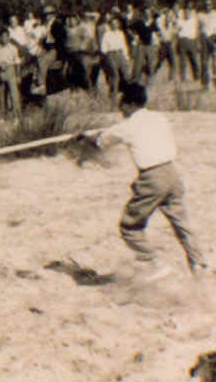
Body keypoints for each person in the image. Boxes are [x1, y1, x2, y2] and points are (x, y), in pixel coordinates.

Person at [88, 82, 208, 277]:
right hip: (173, 174)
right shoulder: (158, 118)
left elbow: (101, 143)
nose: (119, 108)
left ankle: (154, 264)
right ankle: (199, 265)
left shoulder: (126, 126)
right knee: (181, 223)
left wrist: (85, 138)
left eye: (121, 103)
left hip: (152, 178)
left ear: (128, 103)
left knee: (129, 226)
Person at [0, 27, 22, 121]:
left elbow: (17, 63)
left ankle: (17, 117)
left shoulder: (13, 48)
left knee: (14, 96)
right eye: (2, 36)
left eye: (6, 36)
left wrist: (18, 75)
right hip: (0, 72)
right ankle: (3, 117)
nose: (4, 38)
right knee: (2, 96)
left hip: (11, 71)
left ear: (8, 37)